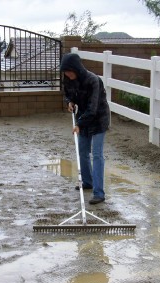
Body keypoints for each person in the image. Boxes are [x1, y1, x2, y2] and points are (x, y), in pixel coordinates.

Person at [60, 53, 110, 205]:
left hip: (99, 119)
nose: (67, 74)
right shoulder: (68, 79)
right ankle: (87, 182)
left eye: (69, 71)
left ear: (76, 68)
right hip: (83, 118)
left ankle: (99, 193)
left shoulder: (93, 81)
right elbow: (68, 94)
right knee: (82, 151)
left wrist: (79, 124)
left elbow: (93, 108)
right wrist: (69, 102)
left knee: (96, 155)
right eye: (65, 71)